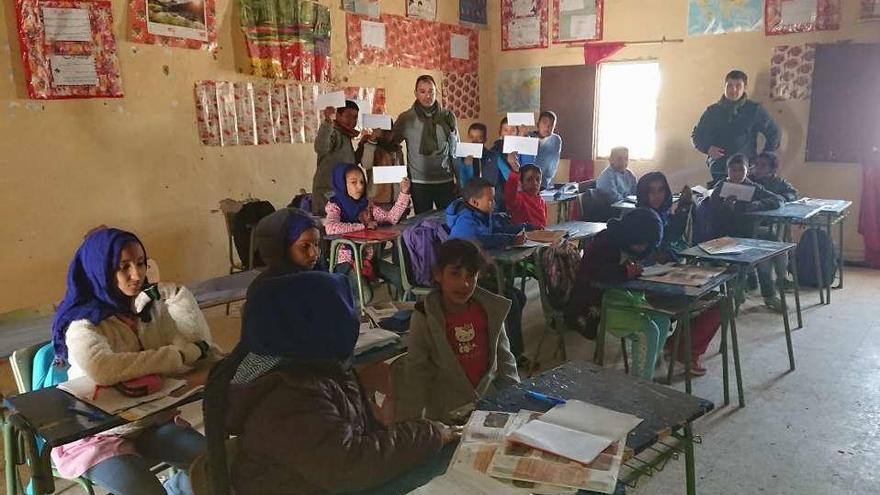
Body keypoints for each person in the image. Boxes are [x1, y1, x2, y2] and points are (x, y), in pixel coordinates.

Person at [225, 272, 460, 494]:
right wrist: (430, 433)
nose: (353, 323)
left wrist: (372, 414)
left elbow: (345, 438)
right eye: (341, 316)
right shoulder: (286, 398)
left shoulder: (312, 367)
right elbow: (350, 466)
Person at [50, 228, 214, 495]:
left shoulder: (143, 308)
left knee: (216, 465)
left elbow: (202, 350)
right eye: (123, 267)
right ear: (100, 270)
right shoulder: (82, 321)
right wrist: (176, 356)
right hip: (97, 435)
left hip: (148, 420)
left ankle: (176, 490)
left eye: (140, 264)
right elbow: (102, 368)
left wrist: (178, 295)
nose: (137, 275)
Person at [402, 239, 520, 421]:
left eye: (470, 275)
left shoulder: (490, 310)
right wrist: (409, 425)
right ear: (438, 274)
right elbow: (416, 373)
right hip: (447, 415)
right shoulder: (425, 316)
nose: (464, 284)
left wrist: (517, 402)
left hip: (489, 408)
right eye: (455, 274)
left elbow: (505, 361)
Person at [564, 208, 671, 379]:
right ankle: (640, 383)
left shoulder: (632, 243)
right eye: (642, 243)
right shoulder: (605, 243)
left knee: (662, 319)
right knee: (649, 330)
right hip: (596, 304)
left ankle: (646, 370)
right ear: (631, 234)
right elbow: (595, 273)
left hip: (623, 298)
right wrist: (624, 272)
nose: (643, 248)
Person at [636, 173, 720, 375]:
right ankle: (685, 351)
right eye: (650, 191)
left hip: (670, 276)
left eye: (661, 190)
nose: (656, 196)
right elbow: (644, 257)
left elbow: (673, 237)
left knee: (718, 299)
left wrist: (683, 208)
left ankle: (676, 345)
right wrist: (664, 258)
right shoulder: (640, 219)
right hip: (649, 285)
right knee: (714, 303)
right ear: (642, 194)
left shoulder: (664, 214)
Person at [710, 154, 785, 311]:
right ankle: (737, 293)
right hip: (726, 237)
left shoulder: (753, 187)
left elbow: (777, 200)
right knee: (737, 264)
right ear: (727, 171)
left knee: (766, 255)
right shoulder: (720, 187)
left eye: (741, 170)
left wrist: (754, 205)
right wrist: (725, 206)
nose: (737, 174)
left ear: (747, 170)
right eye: (733, 170)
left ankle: (769, 295)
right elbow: (712, 211)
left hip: (749, 235)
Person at [692, 70, 781, 185]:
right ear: (724, 86)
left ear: (744, 87)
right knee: (718, 201)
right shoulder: (713, 111)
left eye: (738, 86)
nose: (733, 90)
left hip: (746, 171)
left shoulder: (754, 110)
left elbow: (774, 133)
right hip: (719, 169)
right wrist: (707, 148)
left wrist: (762, 160)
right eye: (729, 86)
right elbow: (696, 136)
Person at [324, 162, 411, 279]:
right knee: (365, 293)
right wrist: (362, 226)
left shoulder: (367, 206)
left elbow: (391, 218)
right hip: (345, 263)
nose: (360, 186)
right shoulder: (335, 206)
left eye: (362, 182)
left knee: (399, 277)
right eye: (353, 182)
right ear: (342, 185)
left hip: (366, 259)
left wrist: (404, 193)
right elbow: (331, 227)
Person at [393, 75, 458, 214]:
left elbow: (455, 149)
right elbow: (392, 144)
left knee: (448, 221)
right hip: (419, 182)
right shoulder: (406, 118)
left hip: (445, 179)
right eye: (422, 91)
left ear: (436, 93)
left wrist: (459, 179)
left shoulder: (447, 116)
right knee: (422, 224)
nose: (427, 96)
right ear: (415, 93)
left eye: (431, 92)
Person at [445, 178, 529, 250]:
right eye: (490, 200)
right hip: (462, 263)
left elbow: (499, 229)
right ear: (475, 202)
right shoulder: (464, 220)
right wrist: (512, 240)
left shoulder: (483, 214)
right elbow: (481, 240)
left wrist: (526, 227)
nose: (494, 203)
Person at [312, 100, 360, 215]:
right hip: (327, 191)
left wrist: (363, 146)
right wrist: (328, 121)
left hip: (341, 192)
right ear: (337, 115)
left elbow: (350, 163)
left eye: (355, 117)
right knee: (327, 227)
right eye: (347, 116)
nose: (352, 121)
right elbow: (321, 147)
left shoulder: (345, 135)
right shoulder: (333, 131)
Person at [252, 207, 324, 282]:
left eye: (316, 244)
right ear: (281, 248)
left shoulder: (320, 277)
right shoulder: (267, 289)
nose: (314, 253)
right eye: (305, 246)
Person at [504, 158, 548, 228]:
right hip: (524, 236)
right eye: (529, 179)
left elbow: (544, 224)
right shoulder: (519, 199)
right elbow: (510, 194)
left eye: (538, 179)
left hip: (540, 236)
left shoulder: (542, 201)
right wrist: (515, 172)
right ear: (520, 182)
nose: (535, 183)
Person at [526, 111, 563, 188]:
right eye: (544, 123)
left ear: (554, 127)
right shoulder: (528, 136)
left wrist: (543, 183)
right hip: (525, 181)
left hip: (543, 182)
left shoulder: (555, 140)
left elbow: (552, 165)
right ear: (538, 124)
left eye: (551, 125)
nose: (547, 127)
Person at [454, 122, 491, 187]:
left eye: (479, 138)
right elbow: (461, 182)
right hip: (468, 192)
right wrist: (466, 166)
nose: (474, 141)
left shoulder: (490, 157)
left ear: (485, 140)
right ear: (467, 137)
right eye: (471, 137)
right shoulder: (461, 156)